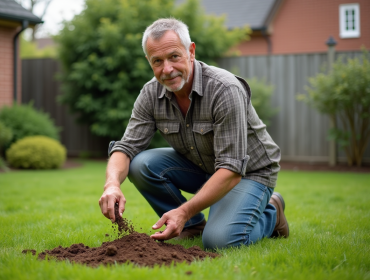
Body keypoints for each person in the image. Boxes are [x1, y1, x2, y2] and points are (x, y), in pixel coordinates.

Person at [98, 18, 289, 250]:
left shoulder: (224, 89)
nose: (166, 69)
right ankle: (192, 226)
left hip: (249, 172)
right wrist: (111, 185)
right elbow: (126, 147)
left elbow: (231, 169)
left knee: (220, 241)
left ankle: (272, 212)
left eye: (174, 56)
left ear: (191, 51)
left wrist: (183, 210)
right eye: (157, 61)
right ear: (149, 62)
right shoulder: (150, 93)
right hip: (203, 165)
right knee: (141, 164)